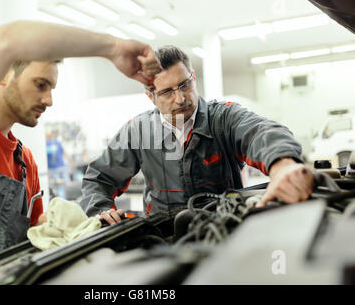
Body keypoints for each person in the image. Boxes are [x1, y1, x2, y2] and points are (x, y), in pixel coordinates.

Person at [0, 20, 161, 284]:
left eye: (51, 88)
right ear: (4, 75)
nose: (49, 100)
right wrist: (113, 48)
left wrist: (84, 225)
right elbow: (8, 39)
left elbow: (35, 235)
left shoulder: (24, 162)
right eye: (41, 85)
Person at [80, 45, 314, 225]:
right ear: (151, 96)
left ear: (193, 77)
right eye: (167, 92)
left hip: (225, 230)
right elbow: (99, 178)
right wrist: (101, 211)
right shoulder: (138, 131)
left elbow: (262, 132)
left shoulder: (223, 118)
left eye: (184, 85)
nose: (180, 98)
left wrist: (282, 164)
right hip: (165, 240)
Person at [46, 129, 71, 197]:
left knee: (66, 183)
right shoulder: (45, 143)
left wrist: (69, 159)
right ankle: (62, 198)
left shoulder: (57, 142)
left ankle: (67, 197)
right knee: (57, 185)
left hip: (61, 166)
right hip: (53, 169)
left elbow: (63, 152)